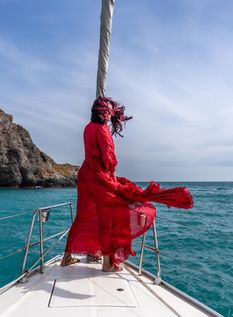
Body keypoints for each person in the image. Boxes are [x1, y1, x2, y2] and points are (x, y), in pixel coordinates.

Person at [61, 96, 193, 271]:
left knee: (83, 215)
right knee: (110, 214)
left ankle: (67, 257)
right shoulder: (102, 130)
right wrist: (113, 177)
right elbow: (109, 160)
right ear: (105, 113)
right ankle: (107, 263)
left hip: (85, 175)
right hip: (99, 177)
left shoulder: (88, 128)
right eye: (109, 112)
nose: (110, 116)